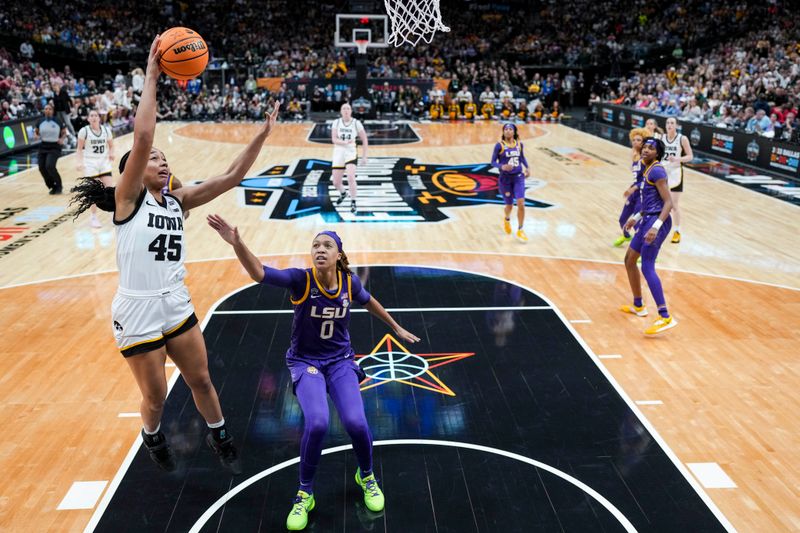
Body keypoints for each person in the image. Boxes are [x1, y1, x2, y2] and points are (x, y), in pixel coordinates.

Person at [69, 35, 281, 474]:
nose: (162, 163)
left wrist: (262, 134)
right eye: (154, 160)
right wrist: (152, 73)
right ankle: (151, 435)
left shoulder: (177, 202)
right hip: (137, 307)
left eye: (166, 160)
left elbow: (232, 175)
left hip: (174, 300)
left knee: (200, 379)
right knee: (155, 397)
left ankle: (219, 432)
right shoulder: (129, 200)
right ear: (134, 170)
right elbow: (144, 134)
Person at [206, 215, 419, 531]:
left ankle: (367, 476)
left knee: (357, 422)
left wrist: (395, 325)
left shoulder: (349, 282)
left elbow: (368, 301)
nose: (320, 249)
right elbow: (259, 273)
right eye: (316, 244)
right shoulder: (300, 280)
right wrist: (237, 242)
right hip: (305, 362)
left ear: (338, 255)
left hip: (341, 361)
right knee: (318, 422)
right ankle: (304, 493)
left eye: (327, 245)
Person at [620, 137, 677, 335]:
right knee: (629, 260)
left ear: (657, 153)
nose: (645, 150)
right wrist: (635, 217)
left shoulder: (657, 170)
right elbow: (648, 203)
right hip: (646, 219)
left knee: (647, 265)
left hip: (656, 222)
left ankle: (665, 316)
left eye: (651, 148)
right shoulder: (647, 169)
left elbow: (668, 203)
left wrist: (656, 226)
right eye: (645, 147)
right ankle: (639, 305)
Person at [491, 123, 530, 242]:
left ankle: (520, 229)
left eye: (510, 129)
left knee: (521, 203)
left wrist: (527, 167)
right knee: (509, 205)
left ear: (514, 132)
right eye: (506, 129)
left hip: (518, 177)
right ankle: (507, 219)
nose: (508, 131)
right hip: (505, 179)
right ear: (503, 132)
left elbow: (522, 157)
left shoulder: (519, 144)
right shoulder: (499, 146)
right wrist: (502, 166)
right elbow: (493, 162)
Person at [76, 110, 115, 227]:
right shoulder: (84, 131)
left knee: (110, 190)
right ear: (88, 119)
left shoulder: (106, 130)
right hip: (90, 163)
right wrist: (79, 162)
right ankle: (93, 217)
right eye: (91, 116)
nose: (94, 117)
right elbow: (79, 148)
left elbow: (112, 146)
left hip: (104, 163)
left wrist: (112, 153)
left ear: (99, 118)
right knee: (94, 192)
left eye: (96, 116)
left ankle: (114, 215)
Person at [613, 128, 648, 247]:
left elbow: (648, 179)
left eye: (639, 140)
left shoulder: (648, 157)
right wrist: (631, 188)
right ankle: (626, 236)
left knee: (637, 223)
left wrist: (635, 187)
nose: (635, 142)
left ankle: (646, 250)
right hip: (634, 192)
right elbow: (636, 176)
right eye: (634, 140)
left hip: (644, 194)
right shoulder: (634, 154)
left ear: (644, 142)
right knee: (622, 220)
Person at [330, 103, 368, 214]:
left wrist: (364, 156)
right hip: (339, 152)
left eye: (348, 108)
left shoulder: (356, 123)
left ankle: (353, 202)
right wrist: (344, 142)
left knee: (351, 177)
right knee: (336, 182)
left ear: (351, 111)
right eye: (344, 108)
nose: (346, 110)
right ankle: (343, 193)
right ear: (341, 111)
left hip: (351, 152)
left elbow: (364, 139)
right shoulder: (336, 122)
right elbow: (334, 139)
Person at [662, 117, 693, 243]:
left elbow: (690, 156)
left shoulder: (682, 138)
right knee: (661, 203)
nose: (670, 125)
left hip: (675, 173)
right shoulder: (661, 138)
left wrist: (677, 159)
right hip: (663, 173)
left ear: (676, 125)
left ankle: (677, 231)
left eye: (672, 123)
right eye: (668, 123)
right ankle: (659, 228)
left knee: (674, 205)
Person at [34, 103, 66, 194]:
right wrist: (36, 135)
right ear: (44, 111)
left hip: (54, 147)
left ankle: (59, 186)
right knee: (41, 168)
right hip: (43, 146)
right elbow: (36, 132)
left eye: (49, 109)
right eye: (46, 109)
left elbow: (64, 132)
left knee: (50, 166)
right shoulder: (40, 121)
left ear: (52, 111)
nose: (47, 110)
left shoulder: (58, 121)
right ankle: (52, 186)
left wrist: (62, 139)